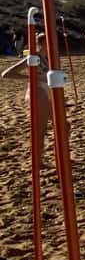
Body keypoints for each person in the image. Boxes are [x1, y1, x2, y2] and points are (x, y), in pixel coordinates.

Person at [1, 33, 52, 163]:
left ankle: (56, 155)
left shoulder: (49, 57)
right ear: (40, 43)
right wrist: (31, 78)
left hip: (47, 92)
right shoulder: (33, 57)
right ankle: (38, 161)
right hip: (37, 93)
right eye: (48, 41)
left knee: (64, 126)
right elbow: (7, 74)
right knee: (41, 130)